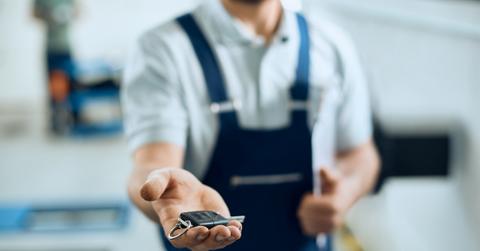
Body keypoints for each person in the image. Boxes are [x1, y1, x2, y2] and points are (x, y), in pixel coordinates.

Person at [122, 0, 380, 250]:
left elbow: (360, 155)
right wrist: (165, 195)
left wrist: (345, 194)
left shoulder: (332, 45)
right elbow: (151, 163)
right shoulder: (162, 48)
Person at [33, 0, 78, 134]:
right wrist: (48, 15)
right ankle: (55, 122)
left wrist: (67, 14)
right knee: (54, 89)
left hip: (66, 47)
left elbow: (78, 12)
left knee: (71, 84)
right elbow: (33, 14)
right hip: (51, 48)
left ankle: (74, 119)